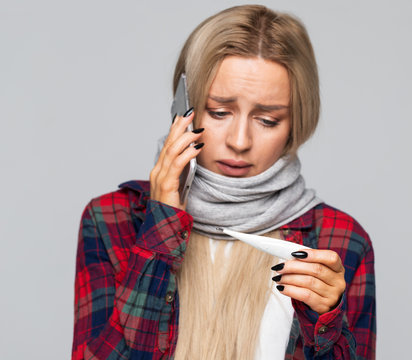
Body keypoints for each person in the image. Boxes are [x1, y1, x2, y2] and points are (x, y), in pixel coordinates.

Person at [72, 5, 376, 360]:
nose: (240, 141)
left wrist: (325, 320)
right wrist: (161, 222)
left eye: (267, 119)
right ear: (184, 108)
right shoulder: (113, 220)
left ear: (296, 123)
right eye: (219, 112)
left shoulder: (338, 241)